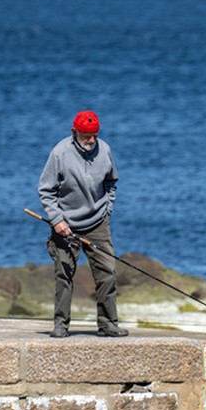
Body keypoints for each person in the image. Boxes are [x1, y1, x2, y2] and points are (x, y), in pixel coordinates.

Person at [37, 110, 128, 339]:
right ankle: (61, 324)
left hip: (98, 222)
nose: (91, 140)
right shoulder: (60, 153)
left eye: (94, 135)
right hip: (65, 224)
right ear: (74, 132)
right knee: (64, 274)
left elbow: (112, 183)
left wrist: (107, 209)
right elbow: (45, 191)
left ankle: (108, 324)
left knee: (107, 272)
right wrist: (57, 220)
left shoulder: (104, 149)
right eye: (86, 135)